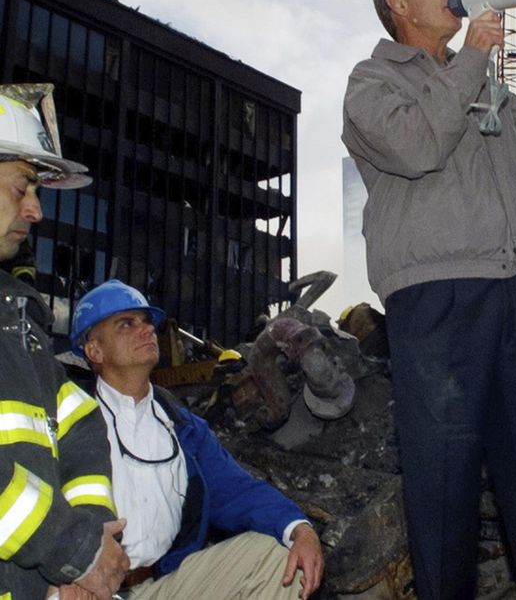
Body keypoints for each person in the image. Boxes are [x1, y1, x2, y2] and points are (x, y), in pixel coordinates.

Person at [342, 0, 516, 598]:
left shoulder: (486, 84)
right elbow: (416, 147)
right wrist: (474, 59)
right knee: (444, 489)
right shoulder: (373, 82)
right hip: (438, 300)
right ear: (398, 3)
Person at [70, 279, 324, 599]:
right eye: (127, 323)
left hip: (161, 585)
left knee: (277, 559)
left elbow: (236, 490)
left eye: (148, 322)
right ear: (94, 350)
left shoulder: (182, 428)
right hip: (85, 588)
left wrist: (300, 529)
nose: (147, 330)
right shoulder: (66, 422)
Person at [0, 85, 128, 600]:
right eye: (21, 188)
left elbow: (75, 416)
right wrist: (73, 552)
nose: (35, 212)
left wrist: (91, 533)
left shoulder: (14, 308)